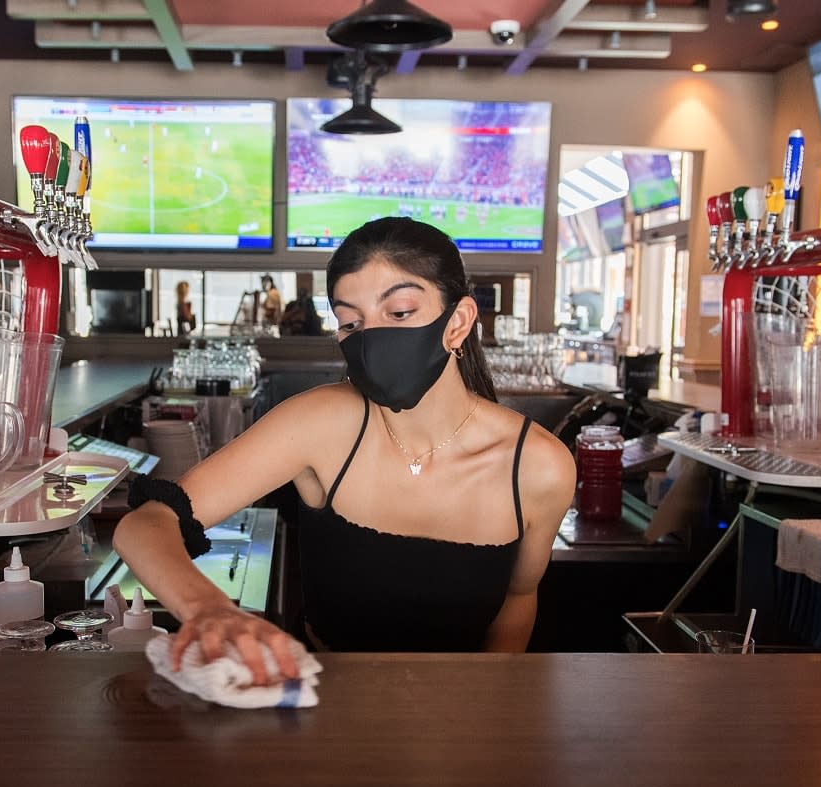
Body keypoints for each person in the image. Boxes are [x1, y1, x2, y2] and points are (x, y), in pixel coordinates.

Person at [113, 217, 575, 682]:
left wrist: (488, 708)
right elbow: (146, 525)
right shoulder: (321, 424)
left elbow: (519, 598)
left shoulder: (538, 467)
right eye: (351, 322)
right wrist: (209, 608)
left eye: (399, 314)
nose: (371, 339)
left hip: (459, 724)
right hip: (323, 710)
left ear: (457, 323)